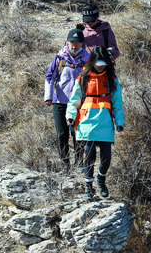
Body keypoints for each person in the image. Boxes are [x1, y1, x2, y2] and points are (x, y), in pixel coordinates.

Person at [66, 47, 124, 200]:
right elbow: (74, 100)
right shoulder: (83, 77)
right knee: (89, 155)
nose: (100, 65)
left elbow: (117, 103)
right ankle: (88, 187)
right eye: (97, 62)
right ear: (92, 61)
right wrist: (70, 116)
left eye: (103, 62)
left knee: (106, 157)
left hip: (105, 121)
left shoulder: (111, 79)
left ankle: (101, 179)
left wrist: (120, 121)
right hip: (86, 121)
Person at [44, 28, 88, 168]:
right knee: (62, 133)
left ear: (82, 43)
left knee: (77, 133)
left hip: (78, 102)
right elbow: (50, 76)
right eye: (71, 42)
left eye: (77, 42)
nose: (74, 45)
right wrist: (48, 96)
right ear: (67, 42)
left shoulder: (87, 60)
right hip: (60, 100)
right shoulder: (60, 57)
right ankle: (65, 164)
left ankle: (79, 163)